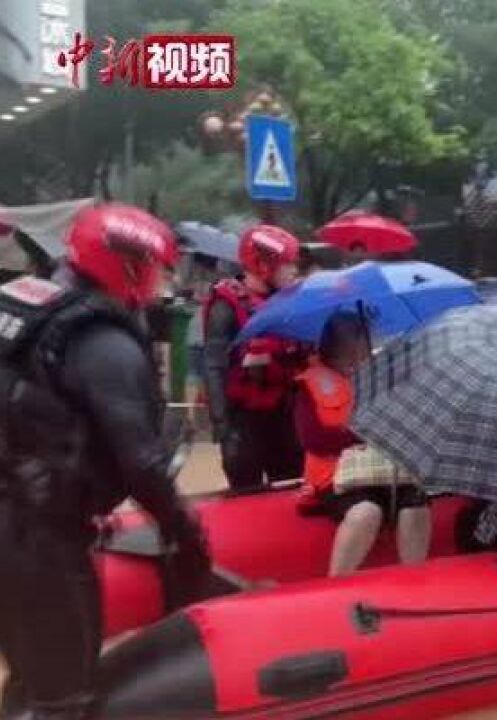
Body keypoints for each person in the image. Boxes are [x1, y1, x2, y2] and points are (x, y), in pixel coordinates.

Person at [0, 204, 208, 719]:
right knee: (64, 692)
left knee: (31, 671)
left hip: (19, 513)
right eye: (158, 268)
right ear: (129, 266)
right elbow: (141, 458)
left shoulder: (26, 307)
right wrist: (182, 530)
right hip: (36, 536)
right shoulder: (101, 339)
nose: (164, 281)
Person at [295, 311, 432, 576]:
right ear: (348, 342)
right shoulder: (308, 386)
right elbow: (314, 439)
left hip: (382, 472)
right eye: (365, 337)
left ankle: (414, 581)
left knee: (416, 506)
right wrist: (367, 432)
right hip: (334, 479)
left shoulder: (377, 379)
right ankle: (337, 583)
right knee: (365, 512)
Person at [203, 225, 306, 492]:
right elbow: (214, 365)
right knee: (246, 487)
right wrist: (222, 426)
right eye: (287, 264)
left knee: (291, 486)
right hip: (244, 418)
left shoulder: (290, 302)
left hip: (284, 414)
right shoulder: (227, 304)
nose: (294, 270)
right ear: (263, 265)